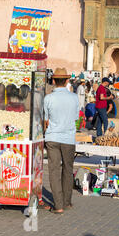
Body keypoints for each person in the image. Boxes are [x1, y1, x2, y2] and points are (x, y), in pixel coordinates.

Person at [43, 68, 79, 214]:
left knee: (54, 170)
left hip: (52, 137)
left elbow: (46, 121)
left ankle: (58, 205)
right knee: (68, 170)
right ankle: (67, 202)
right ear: (67, 81)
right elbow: (76, 118)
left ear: (53, 81)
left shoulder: (48, 98)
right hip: (68, 138)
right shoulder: (74, 97)